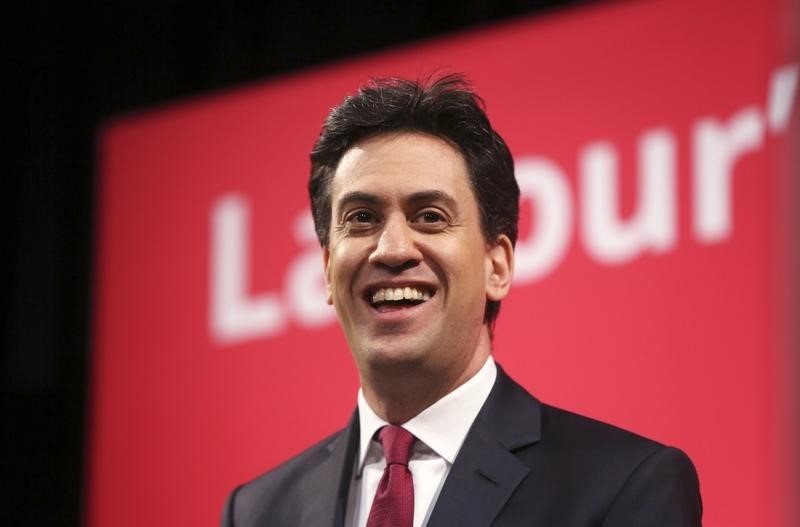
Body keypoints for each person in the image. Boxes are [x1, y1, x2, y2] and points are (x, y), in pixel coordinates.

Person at [221, 74, 703, 527]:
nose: (392, 249)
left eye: (429, 216)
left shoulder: (625, 486)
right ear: (327, 269)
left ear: (497, 266)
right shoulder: (257, 512)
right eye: (362, 218)